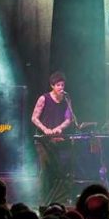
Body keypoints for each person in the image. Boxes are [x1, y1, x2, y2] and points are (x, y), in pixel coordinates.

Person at [32, 71, 74, 204]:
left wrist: (59, 128)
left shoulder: (66, 99)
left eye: (62, 85)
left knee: (61, 170)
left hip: (58, 139)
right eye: (58, 85)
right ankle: (42, 202)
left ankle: (58, 200)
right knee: (45, 170)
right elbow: (34, 118)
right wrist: (45, 129)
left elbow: (69, 119)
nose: (61, 87)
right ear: (52, 86)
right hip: (43, 140)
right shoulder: (44, 98)